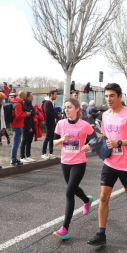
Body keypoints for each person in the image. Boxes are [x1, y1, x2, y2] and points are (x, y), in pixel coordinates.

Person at [86, 83, 127, 246]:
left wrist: (120, 142)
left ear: (120, 97)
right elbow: (105, 136)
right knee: (104, 197)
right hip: (110, 162)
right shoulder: (105, 115)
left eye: (112, 95)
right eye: (106, 96)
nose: (108, 99)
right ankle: (101, 233)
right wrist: (94, 145)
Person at [52, 98, 95, 240]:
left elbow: (95, 138)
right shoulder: (60, 124)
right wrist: (62, 140)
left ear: (77, 109)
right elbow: (54, 142)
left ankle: (64, 228)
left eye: (69, 107)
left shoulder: (84, 125)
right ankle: (87, 200)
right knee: (74, 188)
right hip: (65, 162)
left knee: (69, 192)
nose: (66, 110)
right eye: (65, 107)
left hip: (79, 162)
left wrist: (89, 145)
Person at [10, 91, 31, 166]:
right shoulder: (19, 104)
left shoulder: (15, 102)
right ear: (23, 95)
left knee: (16, 143)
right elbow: (18, 116)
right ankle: (13, 159)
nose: (26, 97)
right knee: (16, 143)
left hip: (16, 125)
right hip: (17, 126)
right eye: (25, 95)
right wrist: (26, 114)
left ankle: (14, 159)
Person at [42, 90, 62, 159]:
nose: (56, 96)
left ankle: (50, 153)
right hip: (49, 122)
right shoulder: (47, 103)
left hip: (52, 122)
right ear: (51, 95)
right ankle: (43, 153)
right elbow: (48, 113)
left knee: (51, 138)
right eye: (55, 94)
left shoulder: (52, 102)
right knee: (48, 137)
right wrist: (56, 115)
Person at [20, 92, 37, 163]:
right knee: (24, 141)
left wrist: (33, 112)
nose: (32, 98)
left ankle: (28, 155)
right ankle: (22, 156)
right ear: (27, 97)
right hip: (26, 126)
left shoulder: (30, 104)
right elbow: (25, 117)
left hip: (31, 124)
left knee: (29, 141)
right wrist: (29, 127)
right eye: (31, 96)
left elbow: (32, 113)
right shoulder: (24, 105)